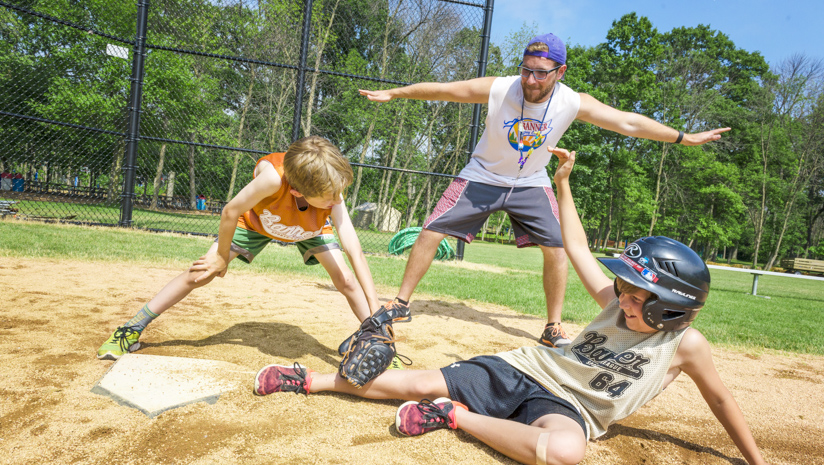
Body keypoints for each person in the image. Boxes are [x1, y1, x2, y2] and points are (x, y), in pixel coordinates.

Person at [253, 146, 771, 465]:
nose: (622, 297)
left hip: (570, 409)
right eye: (624, 288)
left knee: (565, 453)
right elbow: (579, 250)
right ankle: (309, 380)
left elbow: (722, 401)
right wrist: (562, 187)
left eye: (638, 296)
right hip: (527, 368)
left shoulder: (687, 345)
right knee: (415, 381)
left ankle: (454, 417)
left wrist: (756, 460)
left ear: (672, 311)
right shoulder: (613, 303)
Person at [358, 33, 731, 349]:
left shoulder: (572, 101)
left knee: (557, 247)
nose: (530, 79)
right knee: (432, 229)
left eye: (540, 73)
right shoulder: (501, 88)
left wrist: (684, 138)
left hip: (531, 182)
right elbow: (445, 91)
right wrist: (396, 93)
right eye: (526, 69)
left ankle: (552, 326)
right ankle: (401, 303)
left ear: (559, 72)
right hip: (482, 175)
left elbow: (629, 123)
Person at [97, 136, 381, 360]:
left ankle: (376, 339)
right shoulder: (272, 178)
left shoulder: (330, 191)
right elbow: (230, 211)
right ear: (296, 190)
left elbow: (354, 249)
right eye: (331, 195)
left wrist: (378, 313)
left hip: (310, 226)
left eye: (339, 192)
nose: (338, 199)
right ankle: (131, 328)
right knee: (201, 273)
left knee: (345, 279)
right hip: (256, 223)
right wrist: (221, 258)